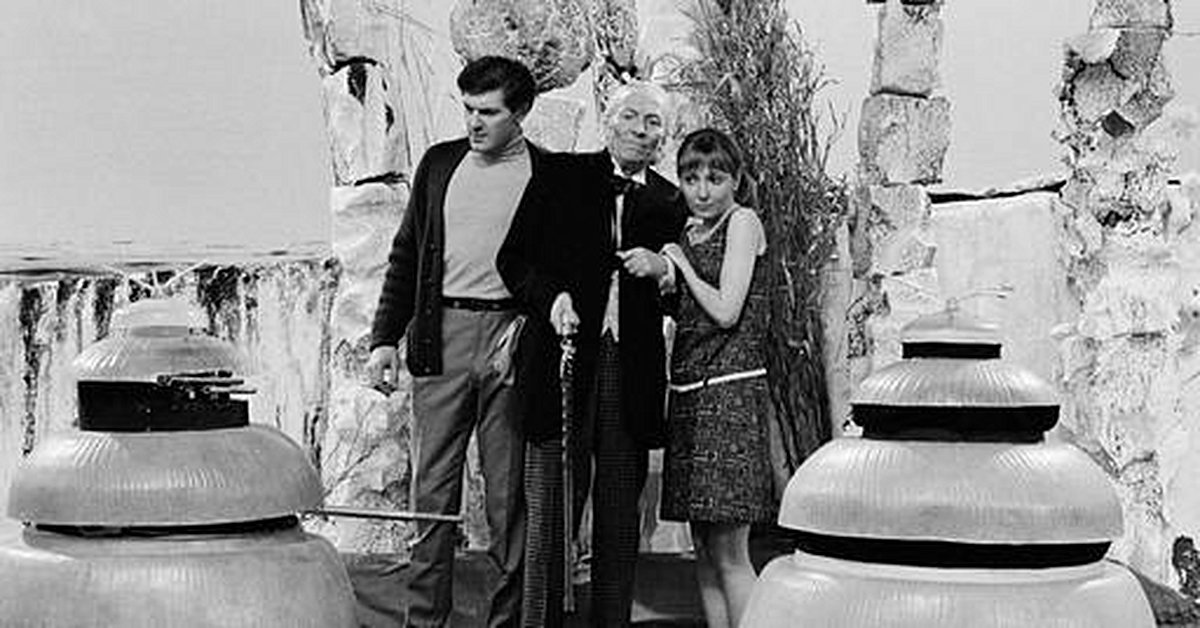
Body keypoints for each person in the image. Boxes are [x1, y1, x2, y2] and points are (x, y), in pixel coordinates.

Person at [498, 81, 688, 627]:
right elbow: (514, 261)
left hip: (631, 372)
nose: (640, 130)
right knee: (551, 510)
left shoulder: (671, 201)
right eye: (631, 117)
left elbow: (685, 289)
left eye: (653, 122)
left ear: (663, 137)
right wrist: (552, 298)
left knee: (619, 515)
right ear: (609, 121)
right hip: (560, 362)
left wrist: (667, 270)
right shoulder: (560, 176)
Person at [365, 55, 545, 628]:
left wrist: (532, 329)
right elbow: (407, 253)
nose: (474, 122)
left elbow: (561, 270)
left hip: (510, 340)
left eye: (488, 112)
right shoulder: (440, 164)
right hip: (440, 337)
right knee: (432, 497)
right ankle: (425, 622)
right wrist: (384, 338)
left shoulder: (547, 175)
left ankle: (508, 622)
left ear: (520, 113)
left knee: (508, 499)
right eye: (467, 109)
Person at [659, 128, 775, 628]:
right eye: (691, 179)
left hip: (731, 393)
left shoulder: (742, 221)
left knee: (730, 551)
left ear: (735, 180)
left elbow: (727, 310)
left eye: (715, 178)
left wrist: (681, 266)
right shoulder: (690, 231)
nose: (702, 190)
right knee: (703, 550)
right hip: (690, 394)